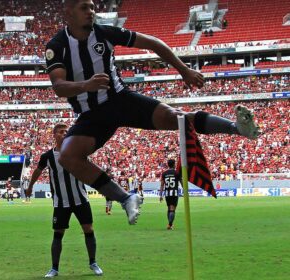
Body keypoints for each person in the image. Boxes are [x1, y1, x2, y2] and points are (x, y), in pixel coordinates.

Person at [45, 0, 259, 226]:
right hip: (92, 114)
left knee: (177, 118)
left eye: (92, 7)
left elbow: (154, 43)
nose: (91, 12)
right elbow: (58, 86)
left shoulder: (104, 33)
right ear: (68, 13)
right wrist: (85, 85)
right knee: (68, 156)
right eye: (84, 8)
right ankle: (126, 198)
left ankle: (236, 128)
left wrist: (183, 69)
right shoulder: (57, 45)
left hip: (120, 100)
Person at [26, 123, 103, 278]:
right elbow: (38, 170)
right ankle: (54, 268)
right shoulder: (47, 157)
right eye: (61, 132)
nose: (64, 133)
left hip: (81, 199)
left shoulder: (77, 152)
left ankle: (93, 263)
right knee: (58, 234)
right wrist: (30, 186)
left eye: (66, 132)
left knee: (89, 230)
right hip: (61, 202)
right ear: (54, 135)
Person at [160, 159, 181, 230]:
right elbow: (182, 182)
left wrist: (160, 195)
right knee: (172, 209)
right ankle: (170, 224)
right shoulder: (176, 173)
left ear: (168, 165)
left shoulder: (164, 173)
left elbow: (162, 185)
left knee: (169, 208)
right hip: (174, 193)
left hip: (167, 194)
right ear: (174, 164)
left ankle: (170, 224)